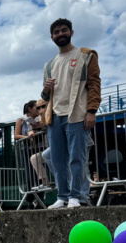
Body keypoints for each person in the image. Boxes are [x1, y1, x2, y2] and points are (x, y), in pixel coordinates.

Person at [41, 18, 101, 209]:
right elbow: (44, 96)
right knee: (58, 159)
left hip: (77, 113)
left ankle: (76, 195)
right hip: (55, 116)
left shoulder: (86, 55)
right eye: (56, 32)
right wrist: (45, 89)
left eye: (64, 30)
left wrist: (91, 111)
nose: (60, 34)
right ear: (52, 37)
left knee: (77, 158)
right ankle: (62, 195)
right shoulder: (49, 64)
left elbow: (94, 84)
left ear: (71, 32)